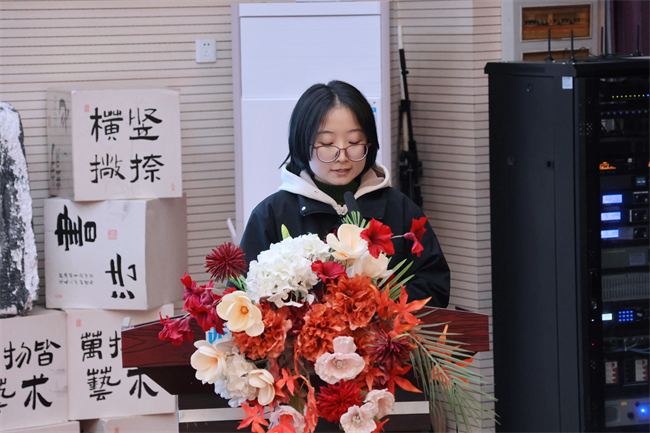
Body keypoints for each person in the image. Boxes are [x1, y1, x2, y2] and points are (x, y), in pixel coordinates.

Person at [239, 80, 450, 307]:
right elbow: (243, 293)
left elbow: (434, 287)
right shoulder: (271, 214)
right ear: (302, 144)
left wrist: (375, 306)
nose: (342, 156)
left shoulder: (400, 209)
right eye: (327, 143)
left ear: (369, 142)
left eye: (354, 142)